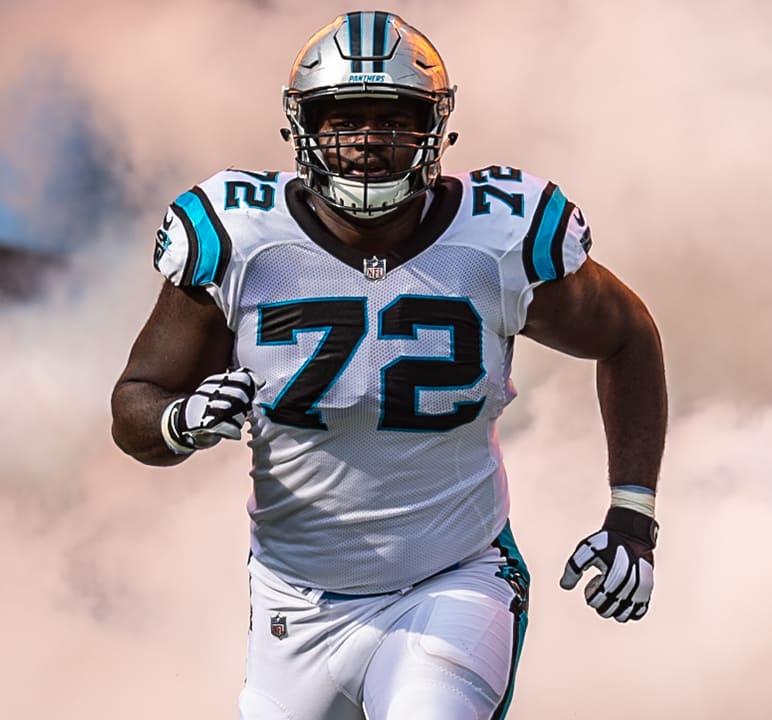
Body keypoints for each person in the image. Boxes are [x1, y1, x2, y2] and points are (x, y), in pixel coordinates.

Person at [111, 10, 666, 720]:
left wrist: (634, 515)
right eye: (345, 119)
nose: (369, 141)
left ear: (433, 128)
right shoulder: (238, 239)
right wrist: (178, 421)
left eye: (393, 119)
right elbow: (135, 403)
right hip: (296, 605)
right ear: (304, 127)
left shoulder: (499, 236)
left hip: (452, 580)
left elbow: (628, 335)